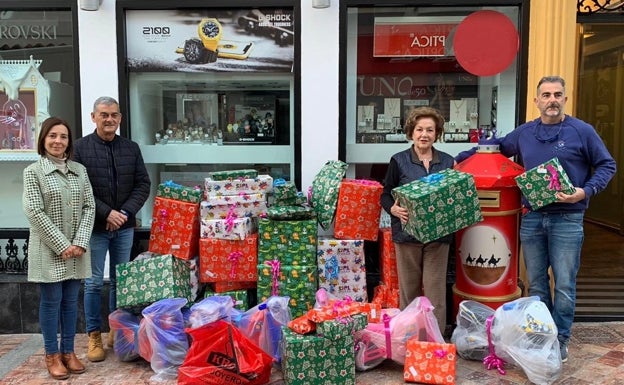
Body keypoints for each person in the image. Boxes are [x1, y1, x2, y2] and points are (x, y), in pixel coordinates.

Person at [458, 76, 616, 363]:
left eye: (557, 94)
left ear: (565, 99)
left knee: (565, 284)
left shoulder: (583, 131)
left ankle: (562, 338)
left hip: (568, 218)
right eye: (546, 95)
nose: (552, 100)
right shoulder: (525, 132)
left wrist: (585, 191)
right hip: (532, 218)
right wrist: (462, 159)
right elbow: (498, 147)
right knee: (538, 284)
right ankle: (542, 336)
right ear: (536, 100)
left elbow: (608, 164)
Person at [73, 96, 151, 362]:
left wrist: (125, 213)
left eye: (114, 115)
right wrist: (108, 213)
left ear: (120, 118)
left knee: (121, 282)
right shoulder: (80, 149)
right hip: (94, 227)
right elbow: (81, 190)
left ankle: (116, 330)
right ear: (93, 117)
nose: (109, 120)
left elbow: (143, 184)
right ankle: (94, 334)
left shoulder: (131, 148)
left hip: (125, 227)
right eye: (104, 115)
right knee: (93, 282)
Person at [23, 117, 96, 380]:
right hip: (49, 250)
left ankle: (68, 351)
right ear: (43, 139)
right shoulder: (33, 172)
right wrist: (62, 244)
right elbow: (34, 211)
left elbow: (90, 206)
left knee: (70, 303)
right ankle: (52, 355)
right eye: (52, 135)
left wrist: (79, 242)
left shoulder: (79, 170)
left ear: (69, 142)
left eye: (63, 136)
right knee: (51, 302)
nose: (58, 141)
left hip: (77, 250)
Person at [380, 106, 456, 334]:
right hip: (407, 234)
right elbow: (386, 193)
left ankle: (435, 341)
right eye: (420, 129)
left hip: (438, 237)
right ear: (411, 132)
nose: (424, 135)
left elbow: (454, 196)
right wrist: (392, 209)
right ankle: (407, 339)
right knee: (409, 292)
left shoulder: (448, 162)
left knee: (435, 294)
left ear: (437, 134)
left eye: (430, 130)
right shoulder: (399, 160)